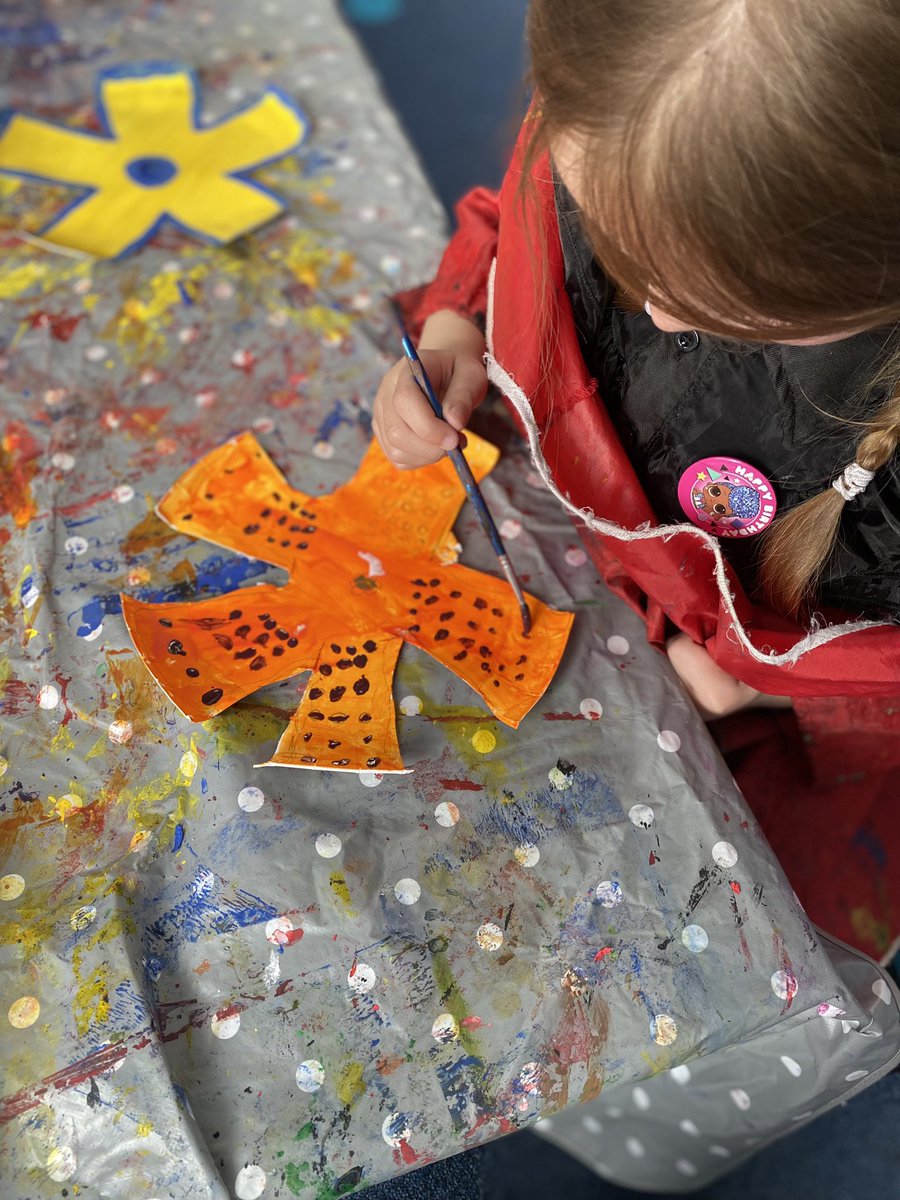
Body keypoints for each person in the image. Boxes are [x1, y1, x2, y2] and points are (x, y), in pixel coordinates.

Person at [373, 0, 900, 729]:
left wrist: (772, 686)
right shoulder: (629, 102)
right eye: (613, 239)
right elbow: (516, 215)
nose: (655, 314)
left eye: (728, 307)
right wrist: (458, 327)